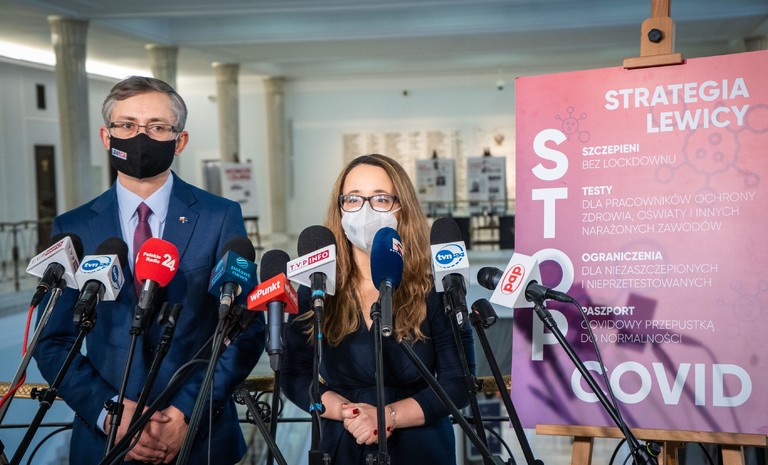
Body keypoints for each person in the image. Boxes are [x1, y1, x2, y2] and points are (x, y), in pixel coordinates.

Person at [33, 76, 265, 465]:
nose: (140, 137)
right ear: (107, 137)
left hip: (200, 439)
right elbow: (52, 340)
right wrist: (110, 412)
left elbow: (246, 328)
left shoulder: (220, 216)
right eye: (127, 125)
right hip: (106, 443)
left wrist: (187, 412)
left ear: (180, 141)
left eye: (157, 127)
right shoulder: (74, 226)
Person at [282, 153, 475, 464]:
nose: (365, 210)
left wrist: (388, 416)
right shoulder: (317, 285)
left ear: (401, 207)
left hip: (420, 447)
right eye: (353, 199)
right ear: (340, 207)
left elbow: (459, 383)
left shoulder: (436, 286)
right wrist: (348, 412)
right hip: (343, 442)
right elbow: (294, 374)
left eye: (381, 199)